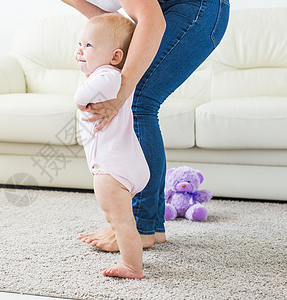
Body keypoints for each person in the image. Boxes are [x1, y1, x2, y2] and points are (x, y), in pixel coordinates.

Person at [62, 0, 229, 249]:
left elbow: (151, 19)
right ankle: (150, 225)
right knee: (134, 95)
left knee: (138, 99)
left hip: (196, 8)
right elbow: (108, 25)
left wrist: (122, 90)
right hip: (163, 11)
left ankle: (141, 227)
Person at [75, 13, 150, 279]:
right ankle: (133, 257)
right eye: (80, 44)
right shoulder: (113, 76)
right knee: (118, 219)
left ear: (116, 56)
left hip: (111, 168)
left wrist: (82, 91)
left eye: (89, 46)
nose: (80, 51)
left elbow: (81, 97)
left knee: (121, 221)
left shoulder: (107, 75)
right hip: (125, 162)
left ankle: (132, 266)